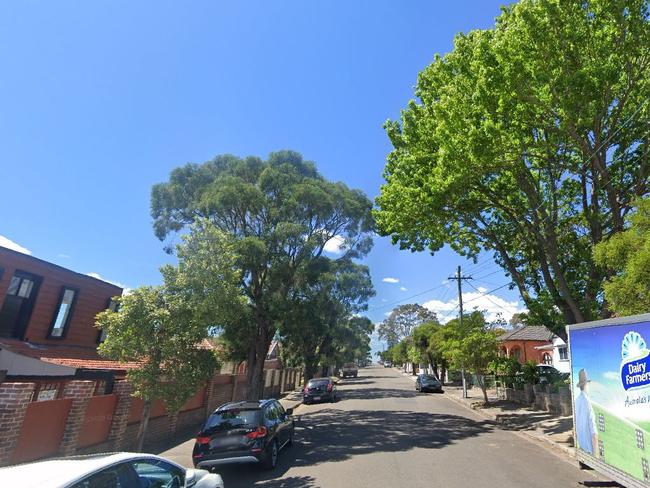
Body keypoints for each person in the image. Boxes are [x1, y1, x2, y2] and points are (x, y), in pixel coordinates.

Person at [575, 368, 598, 455]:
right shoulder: (587, 403)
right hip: (589, 451)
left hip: (581, 449)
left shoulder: (577, 401)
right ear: (586, 385)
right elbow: (594, 433)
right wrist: (595, 456)